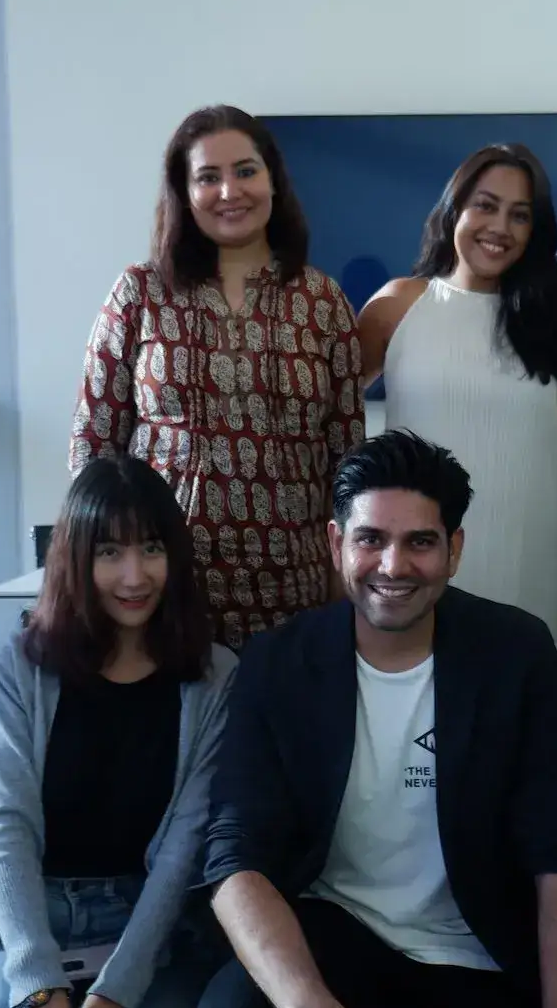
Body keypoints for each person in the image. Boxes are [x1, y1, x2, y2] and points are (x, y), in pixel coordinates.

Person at [193, 431, 557, 1008]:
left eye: (420, 543)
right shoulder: (280, 661)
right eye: (370, 539)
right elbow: (232, 859)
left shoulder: (514, 652)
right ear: (335, 544)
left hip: (472, 950)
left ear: (455, 549)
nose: (392, 566)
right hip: (339, 933)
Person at [0, 456, 237, 1008]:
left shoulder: (216, 678)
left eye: (151, 549)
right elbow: (2, 832)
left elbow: (185, 853)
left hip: (148, 925)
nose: (134, 576)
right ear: (74, 557)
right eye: (109, 552)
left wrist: (111, 1000)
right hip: (33, 914)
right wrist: (39, 992)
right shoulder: (18, 669)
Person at [70, 103, 365, 649]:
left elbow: (346, 459)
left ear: (273, 180)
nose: (230, 191)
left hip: (292, 590)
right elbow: (94, 447)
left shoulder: (323, 302)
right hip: (160, 590)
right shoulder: (139, 293)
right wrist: (99, 569)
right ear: (184, 193)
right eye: (208, 177)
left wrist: (342, 576)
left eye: (245, 171)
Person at [358, 144, 557, 660]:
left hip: (532, 552)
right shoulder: (399, 305)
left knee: (528, 688)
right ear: (454, 208)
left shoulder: (554, 323)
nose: (500, 227)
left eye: (519, 215)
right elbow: (330, 413)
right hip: (418, 553)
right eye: (485, 205)